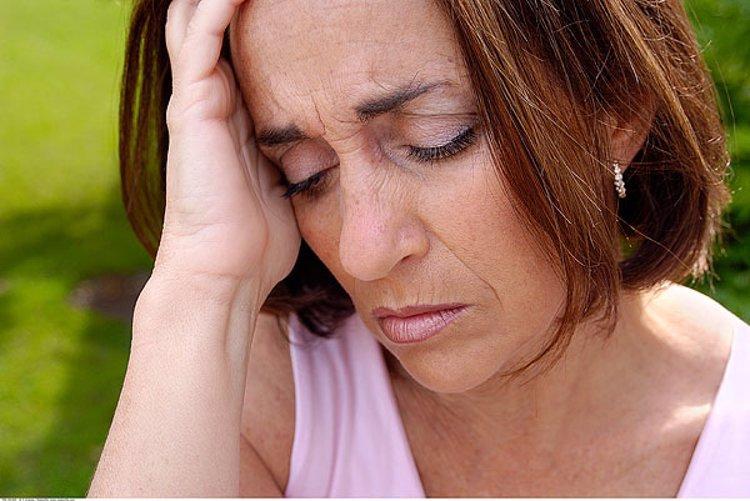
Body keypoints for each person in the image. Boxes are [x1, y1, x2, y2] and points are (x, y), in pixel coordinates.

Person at [87, 0, 750, 497]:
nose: (363, 251)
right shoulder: (250, 398)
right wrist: (201, 284)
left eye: (436, 137)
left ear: (617, 111)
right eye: (305, 174)